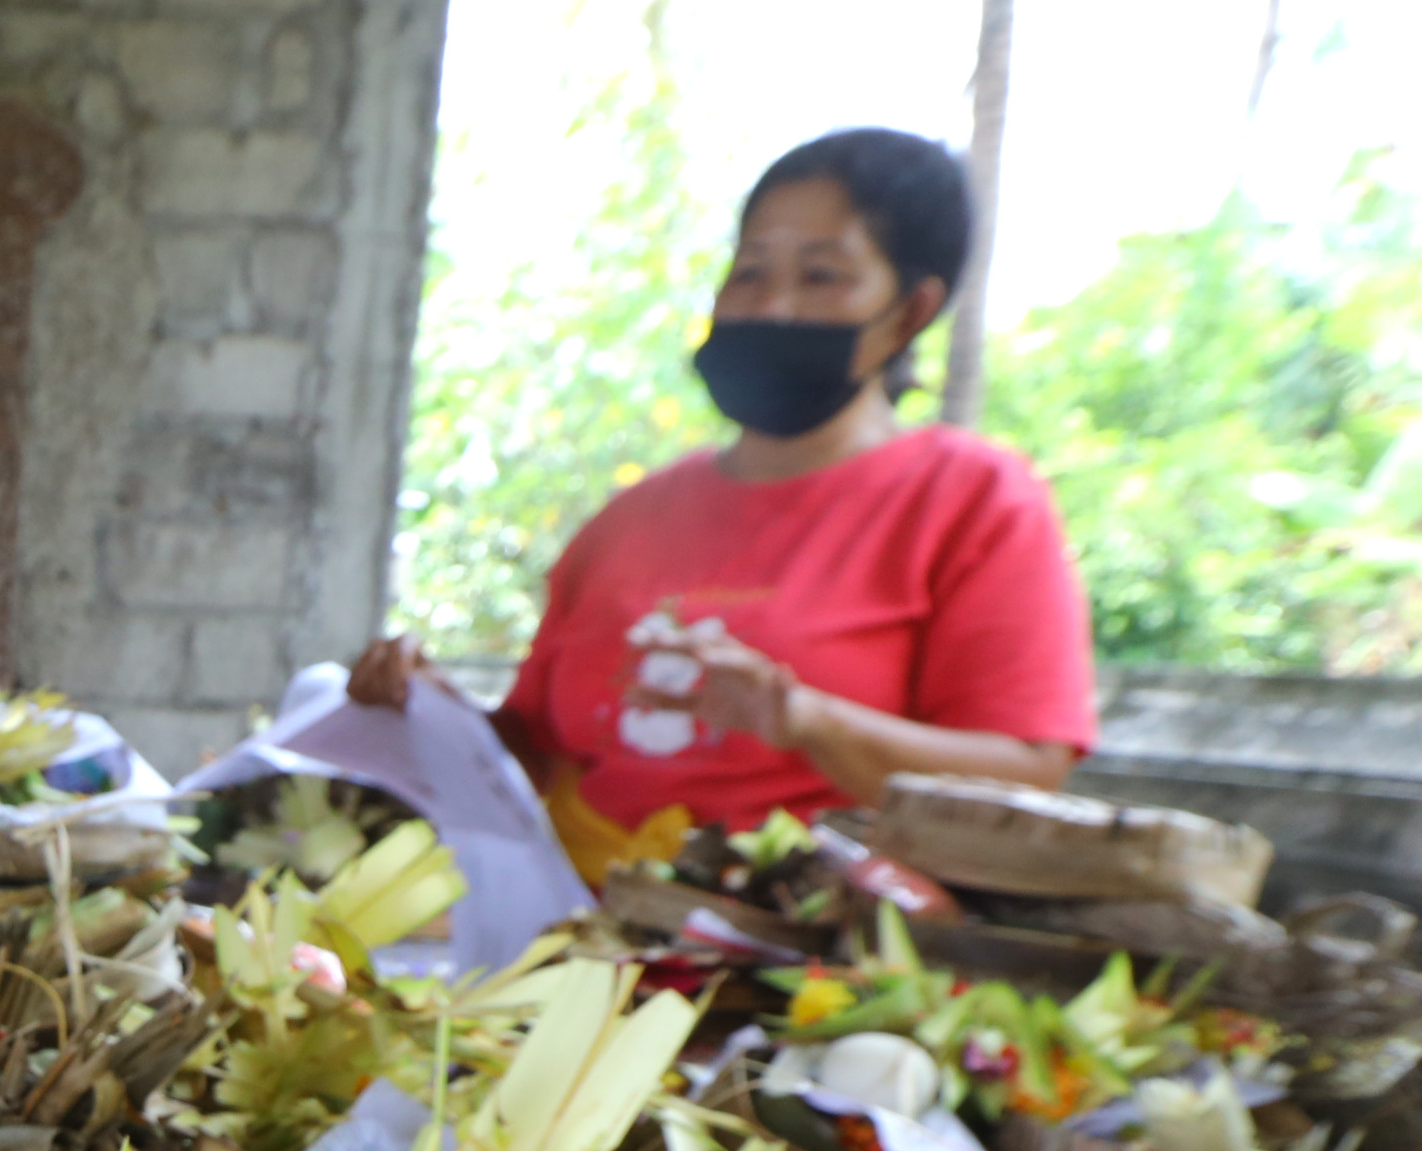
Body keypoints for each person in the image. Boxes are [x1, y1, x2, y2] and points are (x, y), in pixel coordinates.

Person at [353, 128, 1093, 877]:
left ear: (909, 312)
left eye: (821, 276)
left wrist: (807, 721)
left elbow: (1028, 775)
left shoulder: (970, 499)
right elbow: (539, 756)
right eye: (750, 273)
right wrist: (428, 711)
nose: (772, 305)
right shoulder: (629, 520)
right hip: (567, 943)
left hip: (804, 965)